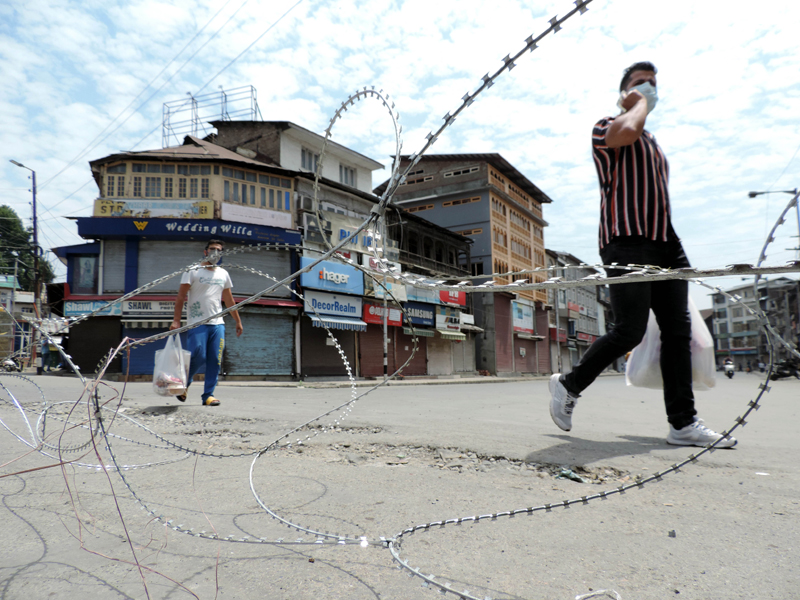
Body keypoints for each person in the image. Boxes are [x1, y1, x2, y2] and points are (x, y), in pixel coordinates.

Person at [548, 61, 736, 448]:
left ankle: (683, 423)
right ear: (623, 93)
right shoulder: (608, 126)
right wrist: (637, 104)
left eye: (653, 84)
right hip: (626, 239)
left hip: (666, 241)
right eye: (640, 83)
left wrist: (673, 246)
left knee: (677, 332)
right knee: (629, 329)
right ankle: (569, 385)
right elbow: (628, 130)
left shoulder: (652, 141)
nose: (649, 88)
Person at [170, 240, 243, 406]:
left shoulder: (223, 274)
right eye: (213, 249)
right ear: (205, 252)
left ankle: (208, 395)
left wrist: (238, 321)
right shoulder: (193, 271)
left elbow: (229, 300)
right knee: (198, 354)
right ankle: (184, 383)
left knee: (215, 359)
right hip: (197, 322)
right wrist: (176, 320)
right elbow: (180, 297)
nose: (215, 253)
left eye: (219, 250)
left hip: (218, 324)